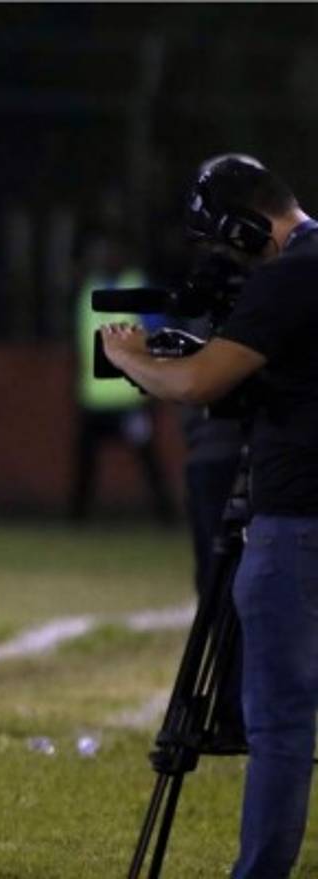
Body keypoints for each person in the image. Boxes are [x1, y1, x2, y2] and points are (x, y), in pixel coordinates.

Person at [100, 155, 318, 879]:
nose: (227, 260)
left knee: (281, 726)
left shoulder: (289, 277)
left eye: (226, 242)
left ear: (245, 224)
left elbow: (197, 384)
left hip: (295, 524)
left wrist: (132, 359)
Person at [69, 231, 175, 523]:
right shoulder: (89, 289)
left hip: (131, 396)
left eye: (110, 253)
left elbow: (159, 335)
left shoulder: (138, 287)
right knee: (85, 461)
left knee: (147, 459)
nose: (104, 259)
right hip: (94, 397)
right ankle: (76, 519)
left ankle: (165, 517)